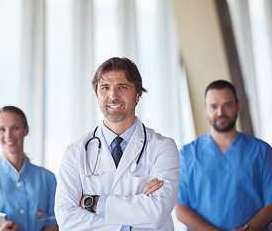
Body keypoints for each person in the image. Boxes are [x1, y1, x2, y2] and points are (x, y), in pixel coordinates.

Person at [55, 57, 180, 230]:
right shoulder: (75, 152)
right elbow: (67, 220)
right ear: (97, 96)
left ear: (137, 95)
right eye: (105, 88)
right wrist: (132, 218)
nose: (113, 96)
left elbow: (156, 212)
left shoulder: (162, 148)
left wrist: (94, 203)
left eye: (122, 87)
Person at [175, 80, 272, 231]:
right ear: (206, 108)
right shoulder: (187, 155)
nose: (220, 112)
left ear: (238, 105)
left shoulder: (262, 152)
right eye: (214, 107)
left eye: (227, 105)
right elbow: (180, 208)